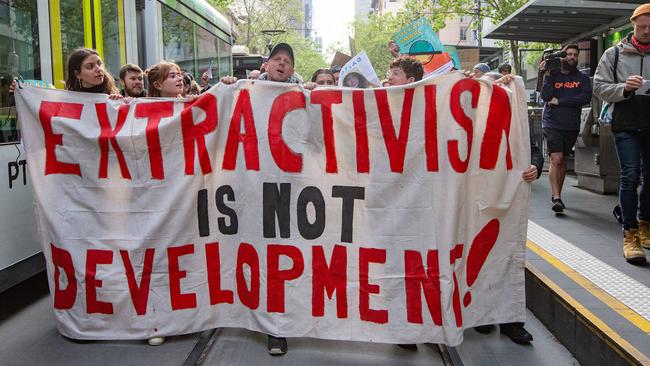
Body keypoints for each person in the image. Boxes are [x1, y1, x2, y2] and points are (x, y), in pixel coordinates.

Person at [593, 3, 650, 264]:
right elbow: (599, 87)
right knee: (630, 175)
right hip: (625, 123)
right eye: (642, 27)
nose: (647, 31)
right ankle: (630, 234)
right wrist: (624, 88)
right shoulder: (614, 54)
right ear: (633, 25)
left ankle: (645, 223)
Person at [539, 44, 592, 213]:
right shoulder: (553, 75)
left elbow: (585, 97)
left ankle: (558, 194)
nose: (572, 57)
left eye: (575, 55)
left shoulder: (582, 78)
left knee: (562, 161)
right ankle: (556, 197)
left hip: (571, 124)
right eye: (568, 54)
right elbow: (546, 96)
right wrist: (546, 74)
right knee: (557, 159)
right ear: (562, 57)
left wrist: (561, 101)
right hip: (552, 122)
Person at [221, 43, 316, 91]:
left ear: (292, 71)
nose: (281, 63)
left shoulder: (302, 94)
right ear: (266, 66)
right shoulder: (248, 90)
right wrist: (227, 88)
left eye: (287, 61)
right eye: (277, 59)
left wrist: (313, 94)